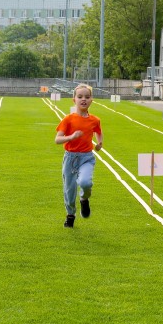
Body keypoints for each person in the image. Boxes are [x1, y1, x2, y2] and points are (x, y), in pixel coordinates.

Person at [55, 84, 104, 228]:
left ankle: (84, 199)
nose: (84, 99)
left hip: (86, 157)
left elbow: (98, 131)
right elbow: (57, 139)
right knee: (69, 190)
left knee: (86, 183)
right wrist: (71, 137)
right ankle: (70, 215)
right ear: (74, 100)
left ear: (92, 100)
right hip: (70, 158)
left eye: (87, 97)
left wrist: (100, 143)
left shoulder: (95, 120)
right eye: (80, 97)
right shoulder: (68, 119)